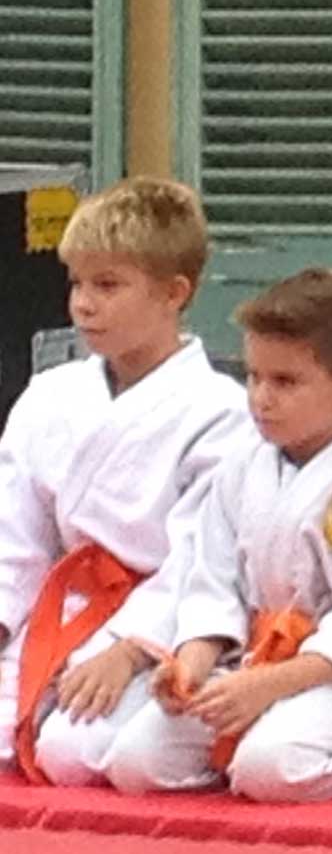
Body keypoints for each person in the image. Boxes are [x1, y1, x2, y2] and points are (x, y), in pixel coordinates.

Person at [103, 269, 332, 802]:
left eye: (284, 382)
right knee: (134, 762)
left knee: (270, 767)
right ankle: (240, 747)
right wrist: (191, 663)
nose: (261, 398)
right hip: (245, 666)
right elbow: (211, 582)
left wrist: (270, 686)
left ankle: (322, 755)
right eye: (253, 377)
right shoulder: (242, 467)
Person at [0, 177, 249, 786]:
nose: (83, 304)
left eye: (107, 286)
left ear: (173, 293)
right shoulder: (51, 395)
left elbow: (201, 560)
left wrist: (130, 648)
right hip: (56, 611)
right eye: (78, 284)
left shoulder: (220, 410)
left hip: (154, 627)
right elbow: (16, 537)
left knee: (71, 750)